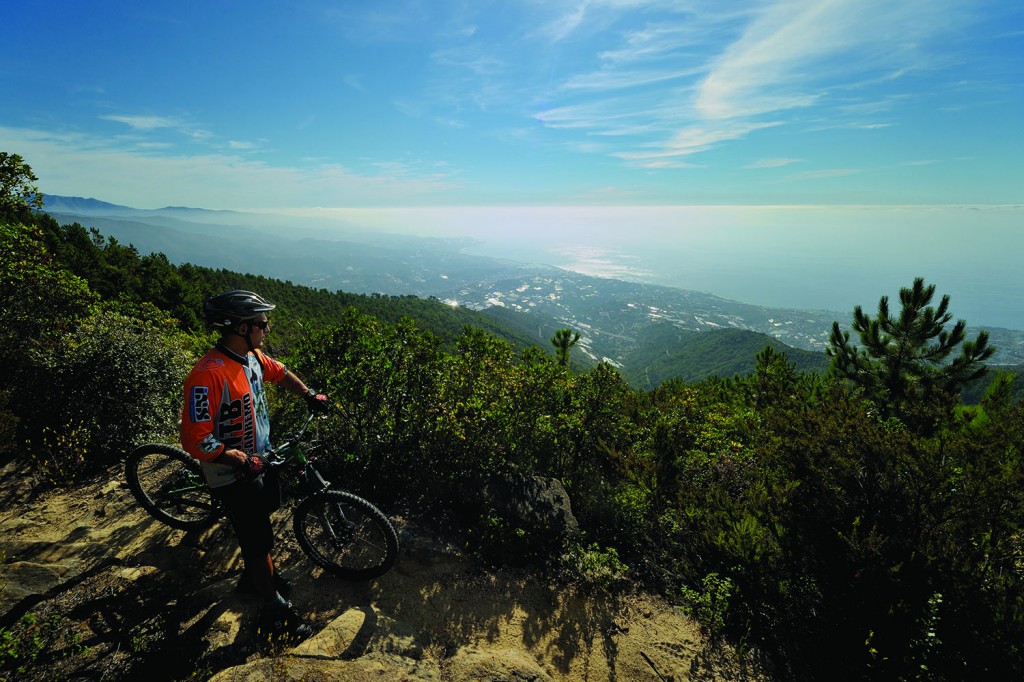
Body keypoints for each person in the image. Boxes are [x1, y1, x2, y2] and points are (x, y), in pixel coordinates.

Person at [180, 290, 330, 643]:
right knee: (257, 540)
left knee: (267, 511)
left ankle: (253, 577)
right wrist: (237, 458)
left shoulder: (253, 358)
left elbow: (283, 373)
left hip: (261, 458)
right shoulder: (207, 375)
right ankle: (274, 608)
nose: (268, 328)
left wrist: (309, 394)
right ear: (241, 327)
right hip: (231, 471)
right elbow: (194, 437)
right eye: (262, 323)